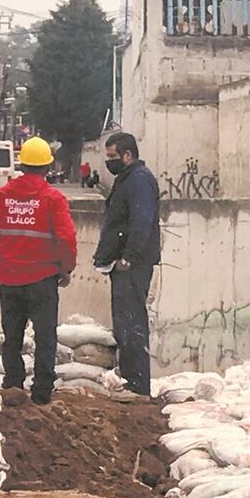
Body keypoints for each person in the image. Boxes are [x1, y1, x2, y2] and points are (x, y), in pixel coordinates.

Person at [0, 137, 78, 405]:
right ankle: (42, 392)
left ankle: (13, 386)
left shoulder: (2, 196)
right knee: (45, 338)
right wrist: (66, 268)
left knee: (12, 338)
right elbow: (67, 238)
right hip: (43, 281)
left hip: (9, 280)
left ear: (21, 165)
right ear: (47, 167)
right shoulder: (53, 198)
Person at [94, 132, 160, 396]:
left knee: (132, 324)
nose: (109, 162)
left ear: (127, 155)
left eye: (113, 156)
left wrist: (128, 257)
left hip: (132, 265)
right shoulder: (127, 179)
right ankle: (130, 379)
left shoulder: (140, 180)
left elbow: (141, 222)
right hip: (121, 264)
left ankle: (138, 385)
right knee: (124, 325)